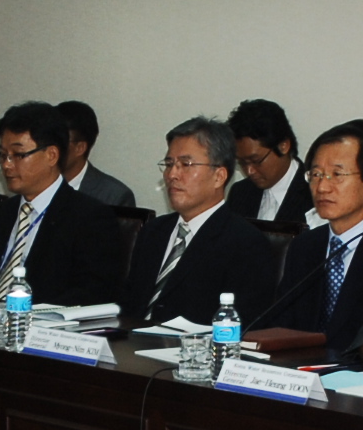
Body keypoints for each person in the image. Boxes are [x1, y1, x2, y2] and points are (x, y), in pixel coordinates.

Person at [258, 120, 363, 358]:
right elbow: (282, 325)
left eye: (337, 174)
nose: (322, 187)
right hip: (298, 374)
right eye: (316, 174)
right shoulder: (304, 246)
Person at [122, 117, 280, 327]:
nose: (172, 174)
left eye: (186, 164)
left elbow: (241, 327)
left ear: (219, 176)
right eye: (169, 164)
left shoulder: (246, 244)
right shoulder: (153, 231)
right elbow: (129, 306)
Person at [0, 101, 126, 308]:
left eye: (18, 155)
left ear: (51, 155)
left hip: (37, 328)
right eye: (3, 155)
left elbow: (92, 294)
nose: (7, 164)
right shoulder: (1, 212)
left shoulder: (89, 217)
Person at [223, 99, 309, 229]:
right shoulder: (240, 193)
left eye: (256, 161)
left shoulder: (314, 193)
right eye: (242, 163)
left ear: (283, 146)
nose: (249, 171)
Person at [56, 101, 138, 212]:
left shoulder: (114, 196)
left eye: (58, 142)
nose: (49, 150)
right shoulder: (34, 184)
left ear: (80, 148)